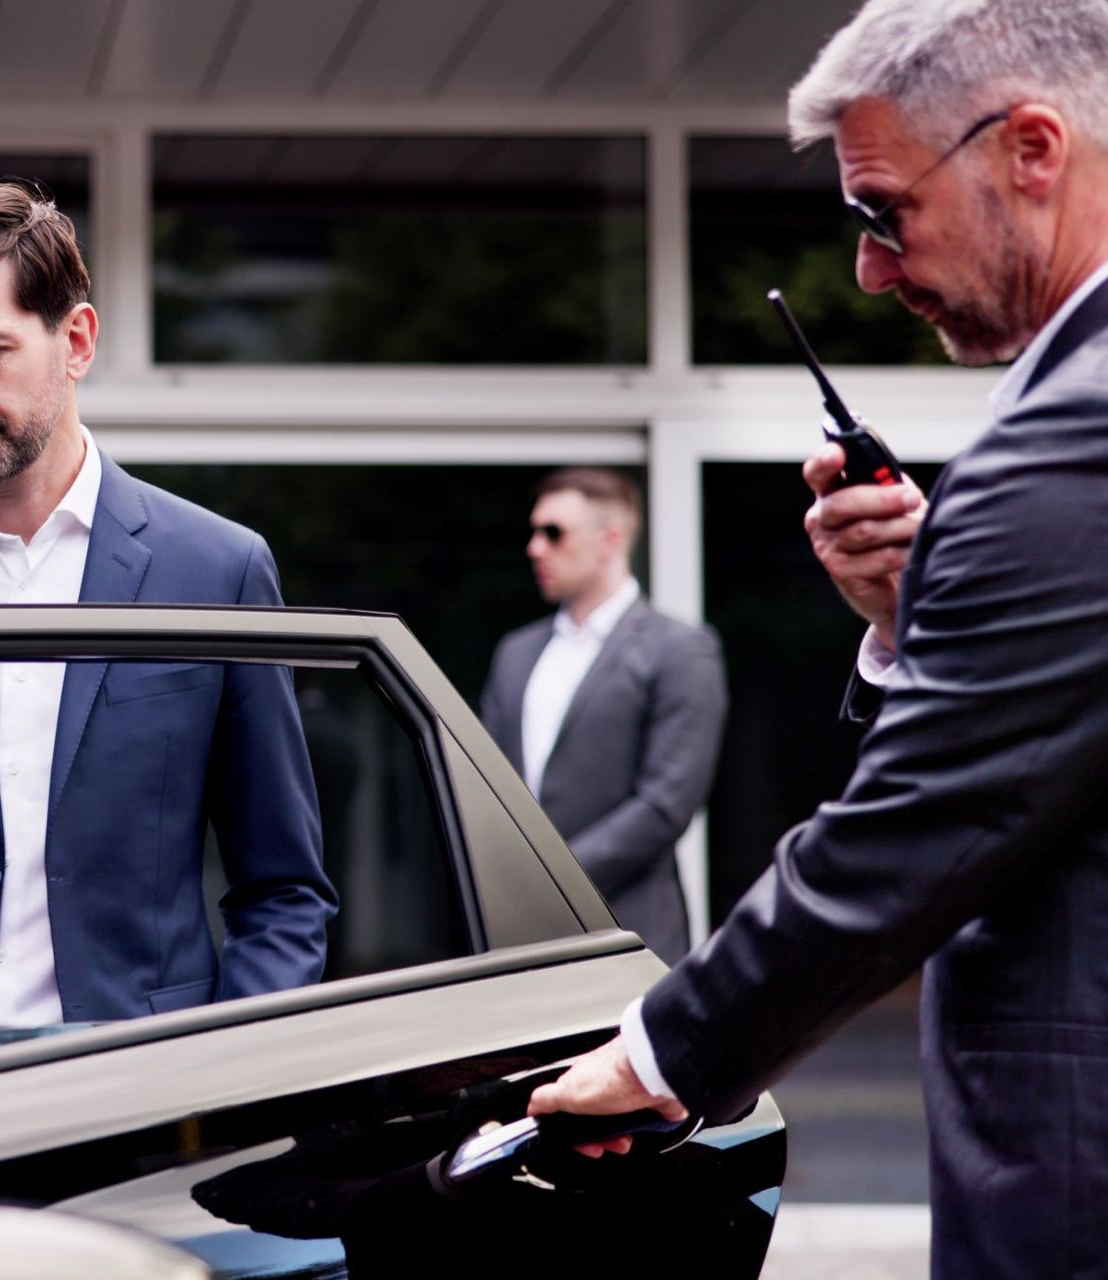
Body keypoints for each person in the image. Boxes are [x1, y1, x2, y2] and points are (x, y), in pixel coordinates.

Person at [527, 2, 1108, 1274]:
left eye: (882, 212)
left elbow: (922, 824)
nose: (870, 272)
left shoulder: (1071, 433)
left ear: (1030, 149)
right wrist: (909, 617)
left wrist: (658, 1053)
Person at [0, 180, 336, 1029]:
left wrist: (230, 1073)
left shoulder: (216, 570)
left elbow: (283, 889)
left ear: (76, 341)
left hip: (139, 1086)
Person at [481, 467, 726, 966]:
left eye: (554, 532)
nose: (535, 548)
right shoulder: (516, 653)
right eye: (534, 531)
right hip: (515, 938)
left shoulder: (680, 649)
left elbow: (665, 805)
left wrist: (556, 879)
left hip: (628, 937)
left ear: (610, 539)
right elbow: (484, 783)